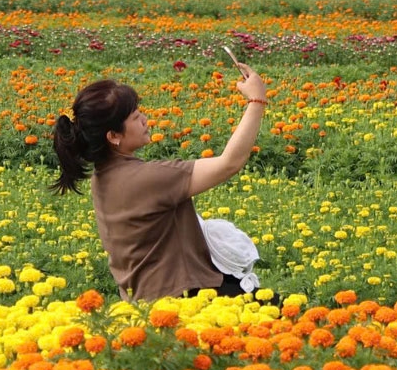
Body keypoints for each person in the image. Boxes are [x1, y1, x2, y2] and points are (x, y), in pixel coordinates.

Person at [49, 62, 273, 304]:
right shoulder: (146, 179)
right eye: (135, 117)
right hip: (185, 299)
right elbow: (229, 163)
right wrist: (256, 101)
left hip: (147, 299)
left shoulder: (102, 176)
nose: (145, 120)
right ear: (113, 136)